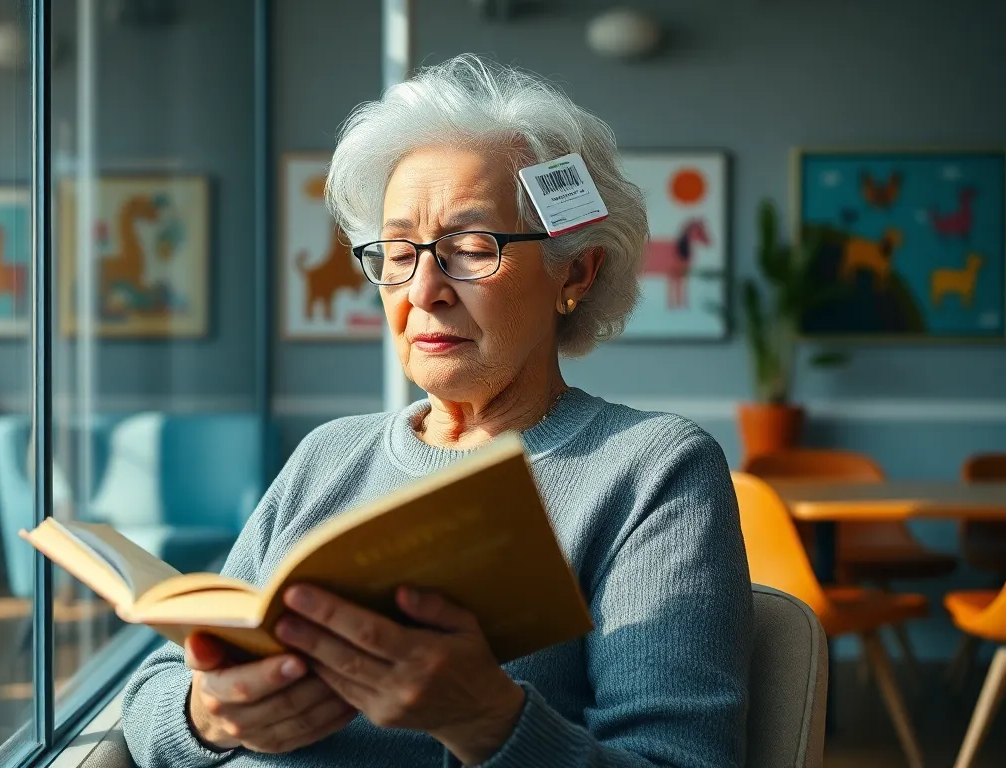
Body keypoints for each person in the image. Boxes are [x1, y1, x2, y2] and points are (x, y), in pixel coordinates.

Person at [121, 53, 752, 768]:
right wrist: (208, 715)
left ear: (574, 271)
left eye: (472, 247)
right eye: (396, 251)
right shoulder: (330, 453)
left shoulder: (650, 468)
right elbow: (151, 692)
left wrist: (486, 720)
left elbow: (680, 760)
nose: (424, 289)